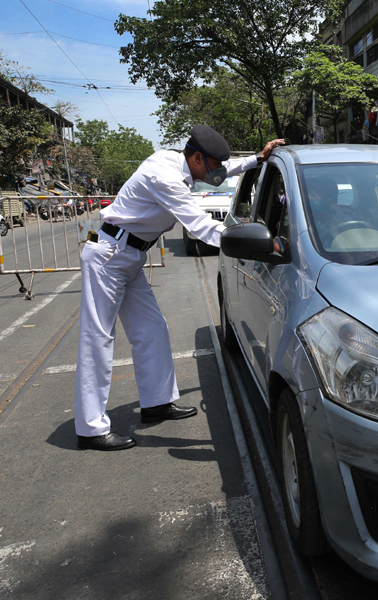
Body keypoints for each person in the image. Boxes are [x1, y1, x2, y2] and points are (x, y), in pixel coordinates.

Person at [74, 125, 284, 451]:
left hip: (128, 256)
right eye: (211, 167)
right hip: (108, 257)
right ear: (197, 157)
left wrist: (256, 159)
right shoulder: (165, 176)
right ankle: (90, 429)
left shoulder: (182, 164)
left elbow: (223, 169)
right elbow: (199, 226)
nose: (215, 175)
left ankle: (156, 402)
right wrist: (263, 246)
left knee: (153, 328)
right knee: (98, 338)